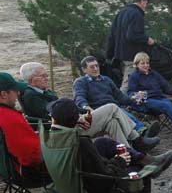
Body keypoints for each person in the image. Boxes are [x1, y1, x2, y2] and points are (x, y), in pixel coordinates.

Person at [47, 98, 171, 193]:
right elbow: (103, 178)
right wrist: (119, 161)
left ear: (53, 118)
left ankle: (147, 159)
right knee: (140, 172)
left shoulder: (48, 139)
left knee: (103, 142)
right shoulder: (80, 143)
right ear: (74, 120)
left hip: (67, 189)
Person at [19, 62, 159, 152]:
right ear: (32, 80)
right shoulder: (31, 96)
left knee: (113, 123)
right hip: (65, 132)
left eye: (46, 75)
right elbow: (53, 112)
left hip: (73, 123)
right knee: (111, 108)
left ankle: (130, 155)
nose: (46, 77)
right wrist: (80, 115)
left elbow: (66, 106)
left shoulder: (43, 91)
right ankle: (138, 140)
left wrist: (84, 112)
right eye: (42, 75)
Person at [73, 55, 159, 139]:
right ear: (84, 70)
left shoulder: (106, 80)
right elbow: (79, 98)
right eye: (92, 67)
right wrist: (87, 108)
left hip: (114, 110)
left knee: (117, 110)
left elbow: (120, 97)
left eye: (97, 66)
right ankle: (142, 131)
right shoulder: (81, 82)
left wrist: (134, 98)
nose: (96, 69)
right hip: (97, 111)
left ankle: (139, 136)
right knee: (115, 108)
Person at [127, 52, 172, 143]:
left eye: (147, 63)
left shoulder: (154, 74)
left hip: (159, 99)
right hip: (146, 102)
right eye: (142, 63)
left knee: (171, 105)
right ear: (136, 65)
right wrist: (137, 94)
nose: (146, 65)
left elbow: (166, 86)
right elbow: (130, 93)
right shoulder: (134, 76)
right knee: (167, 104)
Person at [105, 0, 156, 93]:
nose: (146, 5)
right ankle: (118, 105)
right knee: (127, 84)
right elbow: (132, 35)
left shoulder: (121, 12)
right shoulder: (137, 14)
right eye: (146, 2)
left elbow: (112, 35)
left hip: (120, 54)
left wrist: (109, 54)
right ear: (142, 1)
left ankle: (130, 105)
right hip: (131, 56)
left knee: (133, 83)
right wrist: (147, 39)